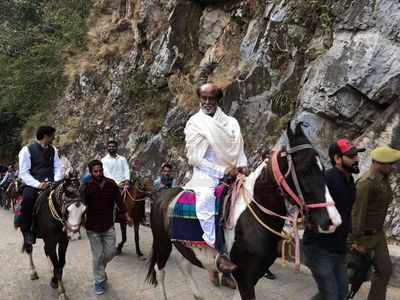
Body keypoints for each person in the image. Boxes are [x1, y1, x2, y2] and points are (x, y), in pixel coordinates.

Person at [184, 82, 248, 273]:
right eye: (203, 97)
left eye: (211, 97)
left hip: (234, 171)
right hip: (206, 175)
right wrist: (222, 171)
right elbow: (194, 158)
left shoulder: (231, 122)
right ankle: (216, 251)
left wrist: (242, 166)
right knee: (205, 199)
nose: (207, 101)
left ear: (218, 99)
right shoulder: (194, 123)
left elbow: (239, 149)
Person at [303, 139, 365, 300]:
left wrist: (352, 240)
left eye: (356, 155)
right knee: (331, 294)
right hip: (319, 248)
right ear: (337, 159)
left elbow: (345, 212)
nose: (356, 159)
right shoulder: (326, 179)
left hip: (338, 247)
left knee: (341, 293)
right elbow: (309, 205)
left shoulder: (350, 180)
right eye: (351, 156)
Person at [351, 145, 400, 300]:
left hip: (377, 235)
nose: (393, 167)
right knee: (353, 275)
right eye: (390, 164)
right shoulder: (366, 183)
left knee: (384, 270)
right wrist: (357, 241)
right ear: (379, 164)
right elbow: (357, 213)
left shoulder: (382, 180)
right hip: (363, 237)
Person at [80, 159, 133, 295]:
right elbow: (80, 205)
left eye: (100, 170)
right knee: (97, 256)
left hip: (108, 225)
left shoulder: (111, 184)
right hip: (92, 227)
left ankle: (100, 271)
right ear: (91, 172)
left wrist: (127, 216)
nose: (98, 173)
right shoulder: (86, 186)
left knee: (111, 253)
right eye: (95, 171)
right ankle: (99, 281)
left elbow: (120, 202)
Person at [18, 126, 64, 244]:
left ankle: (68, 225)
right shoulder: (26, 150)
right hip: (34, 184)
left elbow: (58, 167)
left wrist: (57, 180)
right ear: (45, 136)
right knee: (28, 199)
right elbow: (24, 172)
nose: (54, 138)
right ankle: (27, 230)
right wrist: (38, 184)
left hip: (53, 183)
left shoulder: (53, 149)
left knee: (69, 195)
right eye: (52, 136)